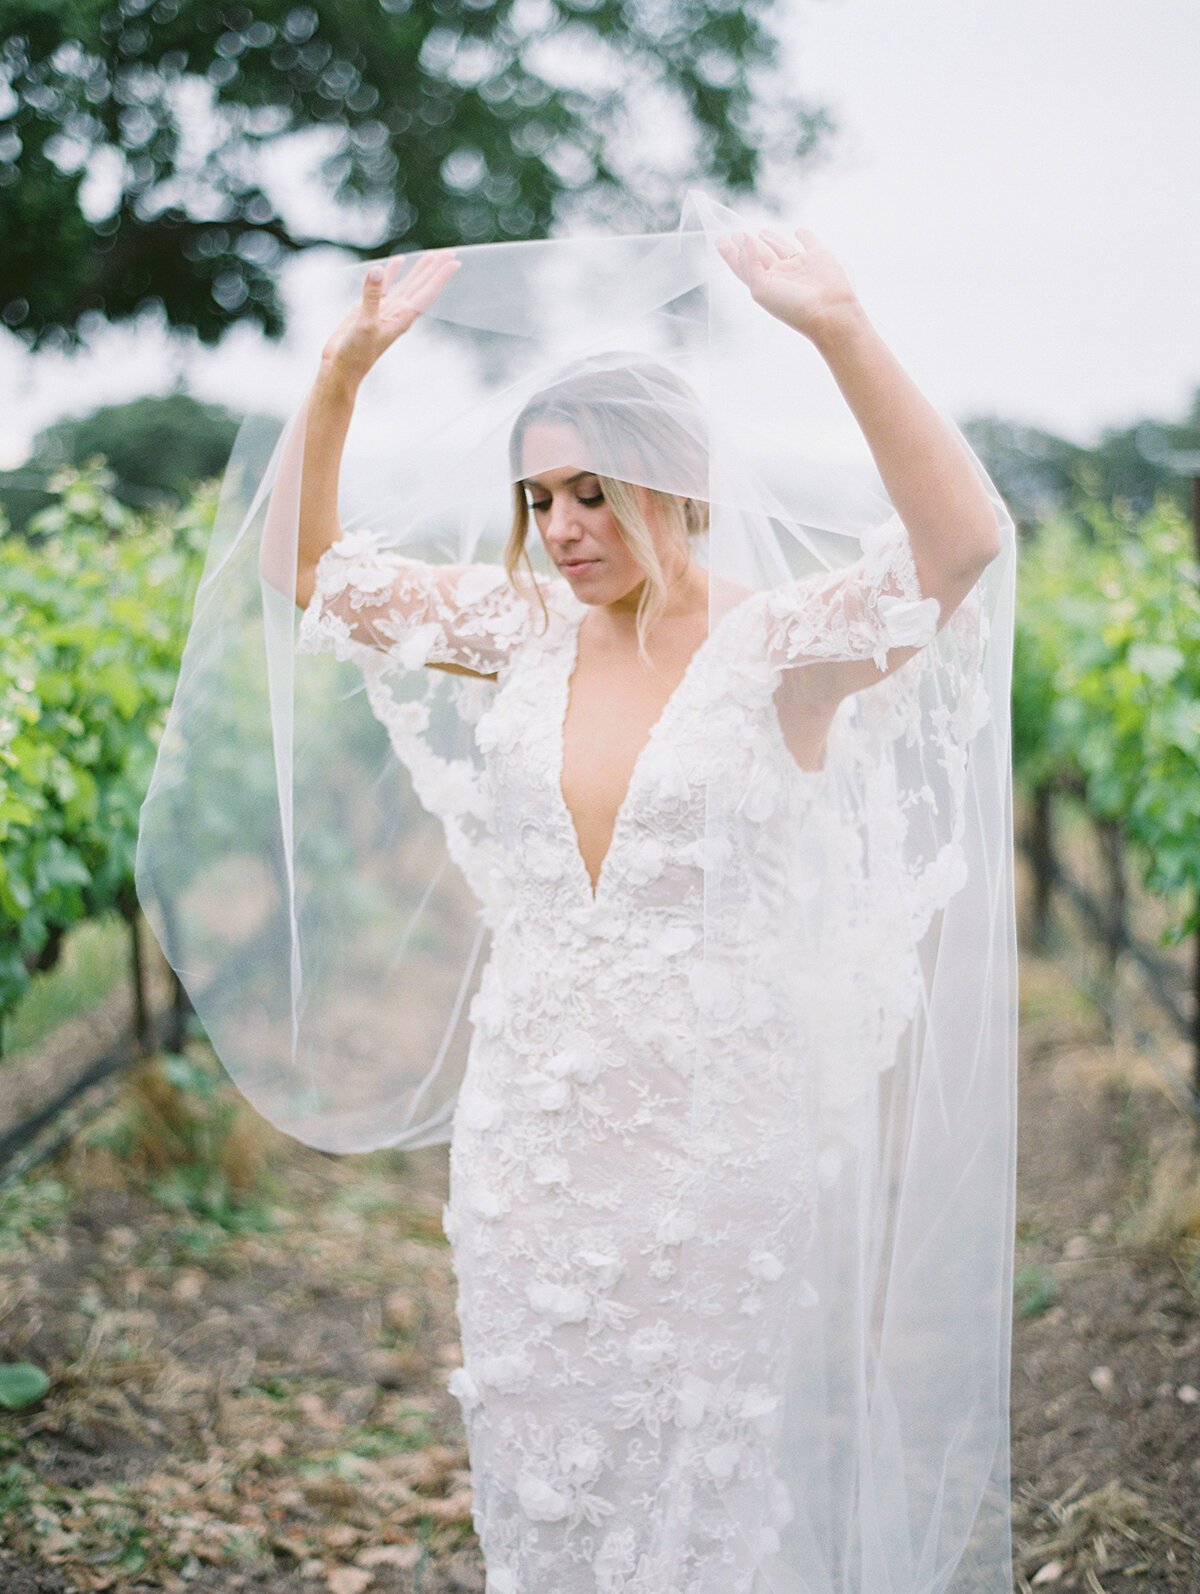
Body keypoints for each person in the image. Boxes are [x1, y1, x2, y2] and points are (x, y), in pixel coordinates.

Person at [137, 194, 1017, 1593]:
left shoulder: (778, 650)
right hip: (531, 1141)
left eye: (587, 492)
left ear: (671, 482)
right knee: (546, 1460)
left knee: (698, 1469)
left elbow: (961, 545)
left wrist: (839, 329)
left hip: (717, 1147)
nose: (559, 527)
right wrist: (340, 371)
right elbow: (300, 570)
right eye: (537, 499)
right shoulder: (519, 632)